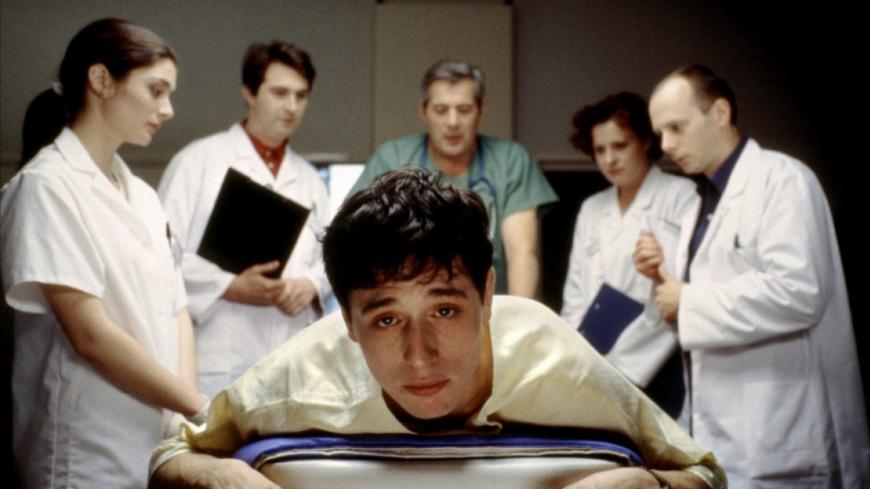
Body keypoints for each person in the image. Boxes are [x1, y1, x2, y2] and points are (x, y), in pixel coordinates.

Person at [149, 168, 726, 489]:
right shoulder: (305, 371)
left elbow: (703, 472)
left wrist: (646, 486)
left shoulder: (554, 356)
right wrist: (224, 479)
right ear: (347, 321)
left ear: (488, 295)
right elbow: (170, 458)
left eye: (445, 310)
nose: (419, 354)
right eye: (386, 318)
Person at [638, 64, 870, 488]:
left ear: (720, 112)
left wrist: (687, 301)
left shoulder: (782, 180)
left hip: (783, 433)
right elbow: (703, 302)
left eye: (676, 128)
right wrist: (663, 282)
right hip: (726, 432)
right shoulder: (700, 204)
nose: (666, 145)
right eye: (660, 133)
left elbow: (798, 291)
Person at [0, 18, 208, 489]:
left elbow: (176, 310)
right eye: (156, 90)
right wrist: (200, 407)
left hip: (155, 440)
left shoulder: (143, 196)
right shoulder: (47, 186)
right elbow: (89, 334)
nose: (168, 109)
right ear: (101, 80)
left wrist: (185, 411)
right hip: (85, 449)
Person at [157, 41, 331, 398]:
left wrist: (311, 284)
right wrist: (229, 285)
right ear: (249, 93)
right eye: (280, 93)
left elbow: (330, 257)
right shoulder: (198, 161)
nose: (292, 106)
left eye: (301, 96)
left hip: (289, 356)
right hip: (216, 359)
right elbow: (159, 256)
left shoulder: (310, 179)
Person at [348, 59, 558, 297]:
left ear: (481, 111)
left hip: (488, 305)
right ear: (424, 112)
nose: (453, 122)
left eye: (464, 110)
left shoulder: (511, 160)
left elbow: (522, 253)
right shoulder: (392, 159)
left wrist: (517, 317)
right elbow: (360, 244)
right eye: (441, 110)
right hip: (409, 304)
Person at [561, 92, 696, 419]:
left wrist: (621, 365)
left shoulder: (682, 197)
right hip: (594, 362)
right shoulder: (592, 209)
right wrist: (577, 359)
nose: (610, 159)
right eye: (600, 150)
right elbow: (576, 297)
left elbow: (681, 291)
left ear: (646, 141)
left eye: (620, 146)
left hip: (660, 361)